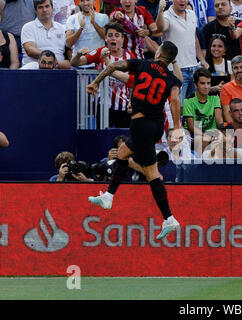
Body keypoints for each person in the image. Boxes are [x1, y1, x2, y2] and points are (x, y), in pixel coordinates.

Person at [86, 40, 183, 240]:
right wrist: (176, 125)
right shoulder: (172, 78)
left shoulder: (142, 64)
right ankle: (108, 196)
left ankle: (169, 218)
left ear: (157, 53)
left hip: (140, 125)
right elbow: (174, 99)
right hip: (156, 127)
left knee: (152, 174)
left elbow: (112, 66)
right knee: (122, 152)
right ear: (172, 60)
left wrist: (96, 82)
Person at [71, 22, 136, 128]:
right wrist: (78, 55)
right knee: (103, 139)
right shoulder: (100, 52)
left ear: (122, 39)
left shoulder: (130, 57)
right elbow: (74, 63)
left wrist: (132, 102)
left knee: (124, 140)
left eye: (117, 36)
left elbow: (133, 82)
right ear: (105, 38)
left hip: (123, 106)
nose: (113, 39)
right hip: (102, 106)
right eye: (110, 36)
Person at [155, 0, 208, 104]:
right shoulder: (166, 15)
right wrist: (160, 10)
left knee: (193, 109)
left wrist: (202, 59)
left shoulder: (192, 14)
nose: (182, 0)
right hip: (175, 70)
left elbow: (194, 38)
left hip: (194, 69)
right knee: (178, 108)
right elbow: (160, 28)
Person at [183, 68, 223, 154]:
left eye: (208, 83)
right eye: (202, 83)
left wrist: (222, 132)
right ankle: (200, 164)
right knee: (203, 139)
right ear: (195, 85)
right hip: (194, 133)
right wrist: (205, 135)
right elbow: (191, 127)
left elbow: (219, 120)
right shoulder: (188, 100)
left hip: (212, 131)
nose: (206, 87)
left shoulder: (215, 97)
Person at [21, 0, 71, 69]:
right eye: (40, 7)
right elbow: (30, 50)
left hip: (57, 71)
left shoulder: (62, 28)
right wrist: (51, 59)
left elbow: (70, 56)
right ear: (35, 11)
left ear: (52, 8)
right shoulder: (28, 27)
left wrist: (54, 62)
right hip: (33, 71)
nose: (44, 10)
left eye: (47, 6)